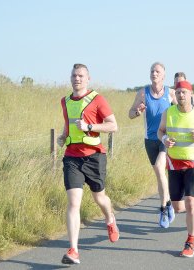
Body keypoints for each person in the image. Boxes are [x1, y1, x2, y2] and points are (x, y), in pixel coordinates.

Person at [57, 63, 119, 265]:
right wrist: (63, 136)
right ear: (70, 78)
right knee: (74, 202)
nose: (77, 79)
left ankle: (110, 219)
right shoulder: (65, 101)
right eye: (74, 75)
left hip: (94, 156)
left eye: (81, 76)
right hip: (72, 157)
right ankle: (74, 249)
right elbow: (68, 124)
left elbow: (113, 125)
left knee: (99, 197)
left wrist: (90, 126)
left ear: (88, 78)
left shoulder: (98, 99)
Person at [158, 80, 194, 257]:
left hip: (193, 164)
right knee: (178, 207)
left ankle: (190, 242)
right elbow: (160, 131)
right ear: (175, 95)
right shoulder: (168, 112)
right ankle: (170, 208)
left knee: (191, 204)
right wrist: (164, 139)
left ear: (191, 94)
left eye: (184, 92)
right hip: (174, 163)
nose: (181, 95)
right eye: (178, 92)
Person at [128, 62, 177, 228]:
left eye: (157, 71)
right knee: (160, 174)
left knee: (159, 167)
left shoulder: (171, 93)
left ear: (163, 75)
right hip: (149, 139)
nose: (154, 74)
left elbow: (180, 112)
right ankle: (169, 202)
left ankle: (163, 209)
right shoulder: (143, 93)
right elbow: (130, 114)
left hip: (165, 137)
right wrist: (138, 112)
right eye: (152, 71)